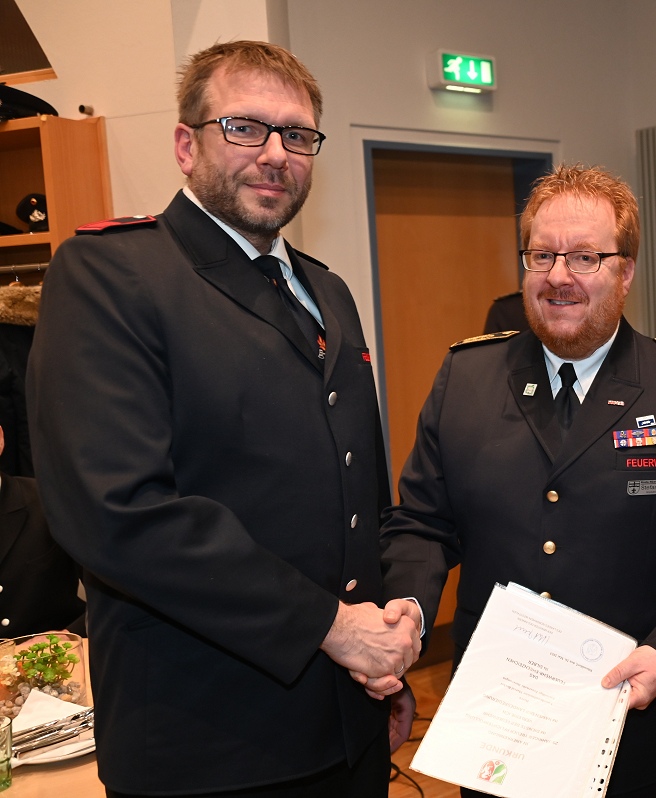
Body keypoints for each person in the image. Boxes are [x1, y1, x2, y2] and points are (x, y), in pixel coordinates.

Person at [27, 41, 420, 797]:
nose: (275, 154)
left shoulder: (327, 291)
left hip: (347, 720)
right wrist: (333, 628)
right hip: (208, 744)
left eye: (296, 135)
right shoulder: (111, 274)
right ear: (186, 145)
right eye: (244, 127)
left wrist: (384, 651)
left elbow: (358, 497)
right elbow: (118, 513)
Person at [379, 164, 656, 797]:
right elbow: (422, 522)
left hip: (631, 720)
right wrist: (411, 605)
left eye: (586, 257)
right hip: (498, 725)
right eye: (542, 255)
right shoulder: (467, 377)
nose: (559, 276)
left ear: (626, 271)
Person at [0, 424, 85, 637]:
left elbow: (112, 593)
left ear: (0, 438)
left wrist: (67, 635)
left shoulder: (51, 500)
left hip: (56, 653)